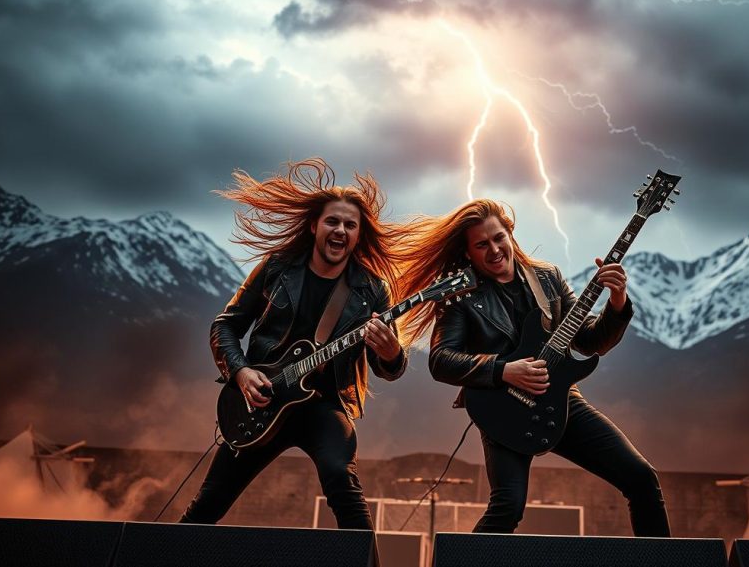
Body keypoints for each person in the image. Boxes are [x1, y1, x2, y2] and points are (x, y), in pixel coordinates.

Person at [392, 199, 670, 536]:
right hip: (502, 408)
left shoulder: (547, 278)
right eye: (482, 244)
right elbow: (440, 360)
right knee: (508, 506)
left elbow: (590, 341)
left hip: (561, 401)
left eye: (498, 238)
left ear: (510, 233)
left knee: (641, 478)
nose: (494, 249)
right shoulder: (460, 296)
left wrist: (617, 301)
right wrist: (503, 369)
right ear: (468, 253)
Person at [180, 158, 407, 529]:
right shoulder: (277, 267)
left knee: (343, 485)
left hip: (325, 407)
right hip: (264, 402)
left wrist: (391, 353)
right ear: (314, 225)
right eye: (333, 221)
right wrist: (241, 372)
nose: (341, 230)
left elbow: (389, 369)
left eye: (351, 225)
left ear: (359, 235)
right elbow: (225, 326)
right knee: (209, 503)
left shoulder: (371, 289)